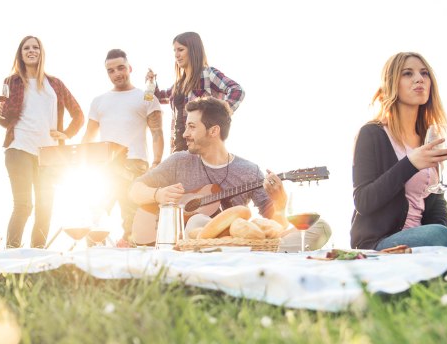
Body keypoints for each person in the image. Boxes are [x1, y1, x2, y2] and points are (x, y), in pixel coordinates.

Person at [129, 96, 331, 250]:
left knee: (320, 227)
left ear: (213, 131)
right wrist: (158, 195)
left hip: (238, 245)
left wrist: (280, 203)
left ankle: (246, 255)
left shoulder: (249, 171)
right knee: (197, 221)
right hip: (190, 243)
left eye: (191, 127)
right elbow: (135, 190)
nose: (184, 134)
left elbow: (273, 229)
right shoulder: (178, 161)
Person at [350, 52, 447, 250]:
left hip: (424, 235)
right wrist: (410, 164)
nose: (419, 79)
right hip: (381, 241)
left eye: (424, 73)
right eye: (408, 74)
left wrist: (442, 233)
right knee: (441, 235)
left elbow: (435, 201)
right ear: (392, 83)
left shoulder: (427, 137)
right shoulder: (372, 134)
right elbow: (363, 201)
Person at [0, 35, 84, 248]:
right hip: (19, 149)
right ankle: (11, 254)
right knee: (23, 206)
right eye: (26, 48)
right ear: (21, 54)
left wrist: (67, 134)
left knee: (45, 207)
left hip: (50, 155)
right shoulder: (12, 82)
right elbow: (6, 120)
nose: (31, 51)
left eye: (35, 47)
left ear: (41, 53)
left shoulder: (56, 84)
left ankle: (37, 256)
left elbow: (78, 115)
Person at [82, 49, 164, 244]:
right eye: (111, 70)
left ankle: (135, 263)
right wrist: (81, 162)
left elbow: (157, 133)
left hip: (135, 164)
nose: (116, 73)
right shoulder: (98, 101)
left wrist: (157, 162)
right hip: (104, 166)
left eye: (121, 68)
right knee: (95, 216)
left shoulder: (146, 98)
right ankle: (94, 262)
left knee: (133, 218)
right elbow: (88, 136)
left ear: (129, 68)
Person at [146, 31, 244, 153]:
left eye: (180, 50)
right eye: (174, 51)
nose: (176, 55)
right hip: (178, 149)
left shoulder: (208, 74)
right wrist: (151, 83)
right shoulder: (179, 85)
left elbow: (237, 90)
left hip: (202, 148)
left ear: (193, 50)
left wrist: (221, 112)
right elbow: (159, 98)